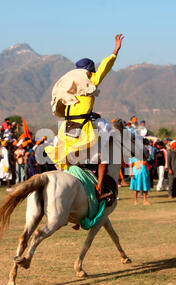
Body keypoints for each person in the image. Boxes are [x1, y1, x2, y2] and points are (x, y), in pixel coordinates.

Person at [46, 34, 124, 201]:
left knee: (66, 163)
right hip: (83, 130)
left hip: (66, 132)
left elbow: (70, 110)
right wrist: (115, 51)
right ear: (89, 71)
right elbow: (104, 68)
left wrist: (90, 114)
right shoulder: (90, 82)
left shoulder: (67, 90)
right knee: (105, 159)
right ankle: (99, 189)